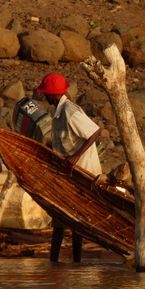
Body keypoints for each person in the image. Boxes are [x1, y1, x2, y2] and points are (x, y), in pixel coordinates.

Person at [35, 73, 102, 263]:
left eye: (46, 94)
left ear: (52, 95)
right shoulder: (59, 112)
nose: (45, 98)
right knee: (60, 218)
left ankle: (75, 260)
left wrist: (77, 155)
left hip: (82, 172)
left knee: (74, 220)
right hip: (68, 173)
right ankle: (55, 261)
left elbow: (95, 132)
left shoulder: (70, 111)